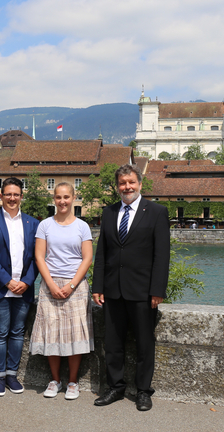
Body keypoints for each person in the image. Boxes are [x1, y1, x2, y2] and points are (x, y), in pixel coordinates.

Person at [92, 164, 170, 411]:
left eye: (131, 182)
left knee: (144, 344)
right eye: (122, 183)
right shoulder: (109, 212)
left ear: (140, 184)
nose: (126, 187)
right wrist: (98, 285)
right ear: (117, 187)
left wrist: (158, 289)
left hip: (143, 291)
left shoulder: (157, 212)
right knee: (113, 344)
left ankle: (144, 391)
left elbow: (162, 255)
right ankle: (115, 387)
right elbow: (102, 252)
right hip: (113, 290)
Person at [29, 182, 94, 400]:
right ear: (54, 199)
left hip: (76, 286)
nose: (62, 201)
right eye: (58, 197)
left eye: (66, 197)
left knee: (75, 334)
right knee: (52, 334)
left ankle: (73, 382)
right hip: (50, 284)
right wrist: (50, 284)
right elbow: (39, 256)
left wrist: (71, 285)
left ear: (73, 198)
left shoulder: (82, 226)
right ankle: (55, 380)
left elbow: (87, 258)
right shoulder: (45, 225)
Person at [0, 177, 39, 397]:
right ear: (1, 196)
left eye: (16, 194)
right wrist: (7, 281)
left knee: (17, 333)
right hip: (0, 287)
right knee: (0, 333)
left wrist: (26, 282)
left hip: (23, 288)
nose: (12, 198)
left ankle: (12, 375)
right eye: (8, 194)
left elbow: (37, 258)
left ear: (21, 196)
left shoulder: (33, 223)